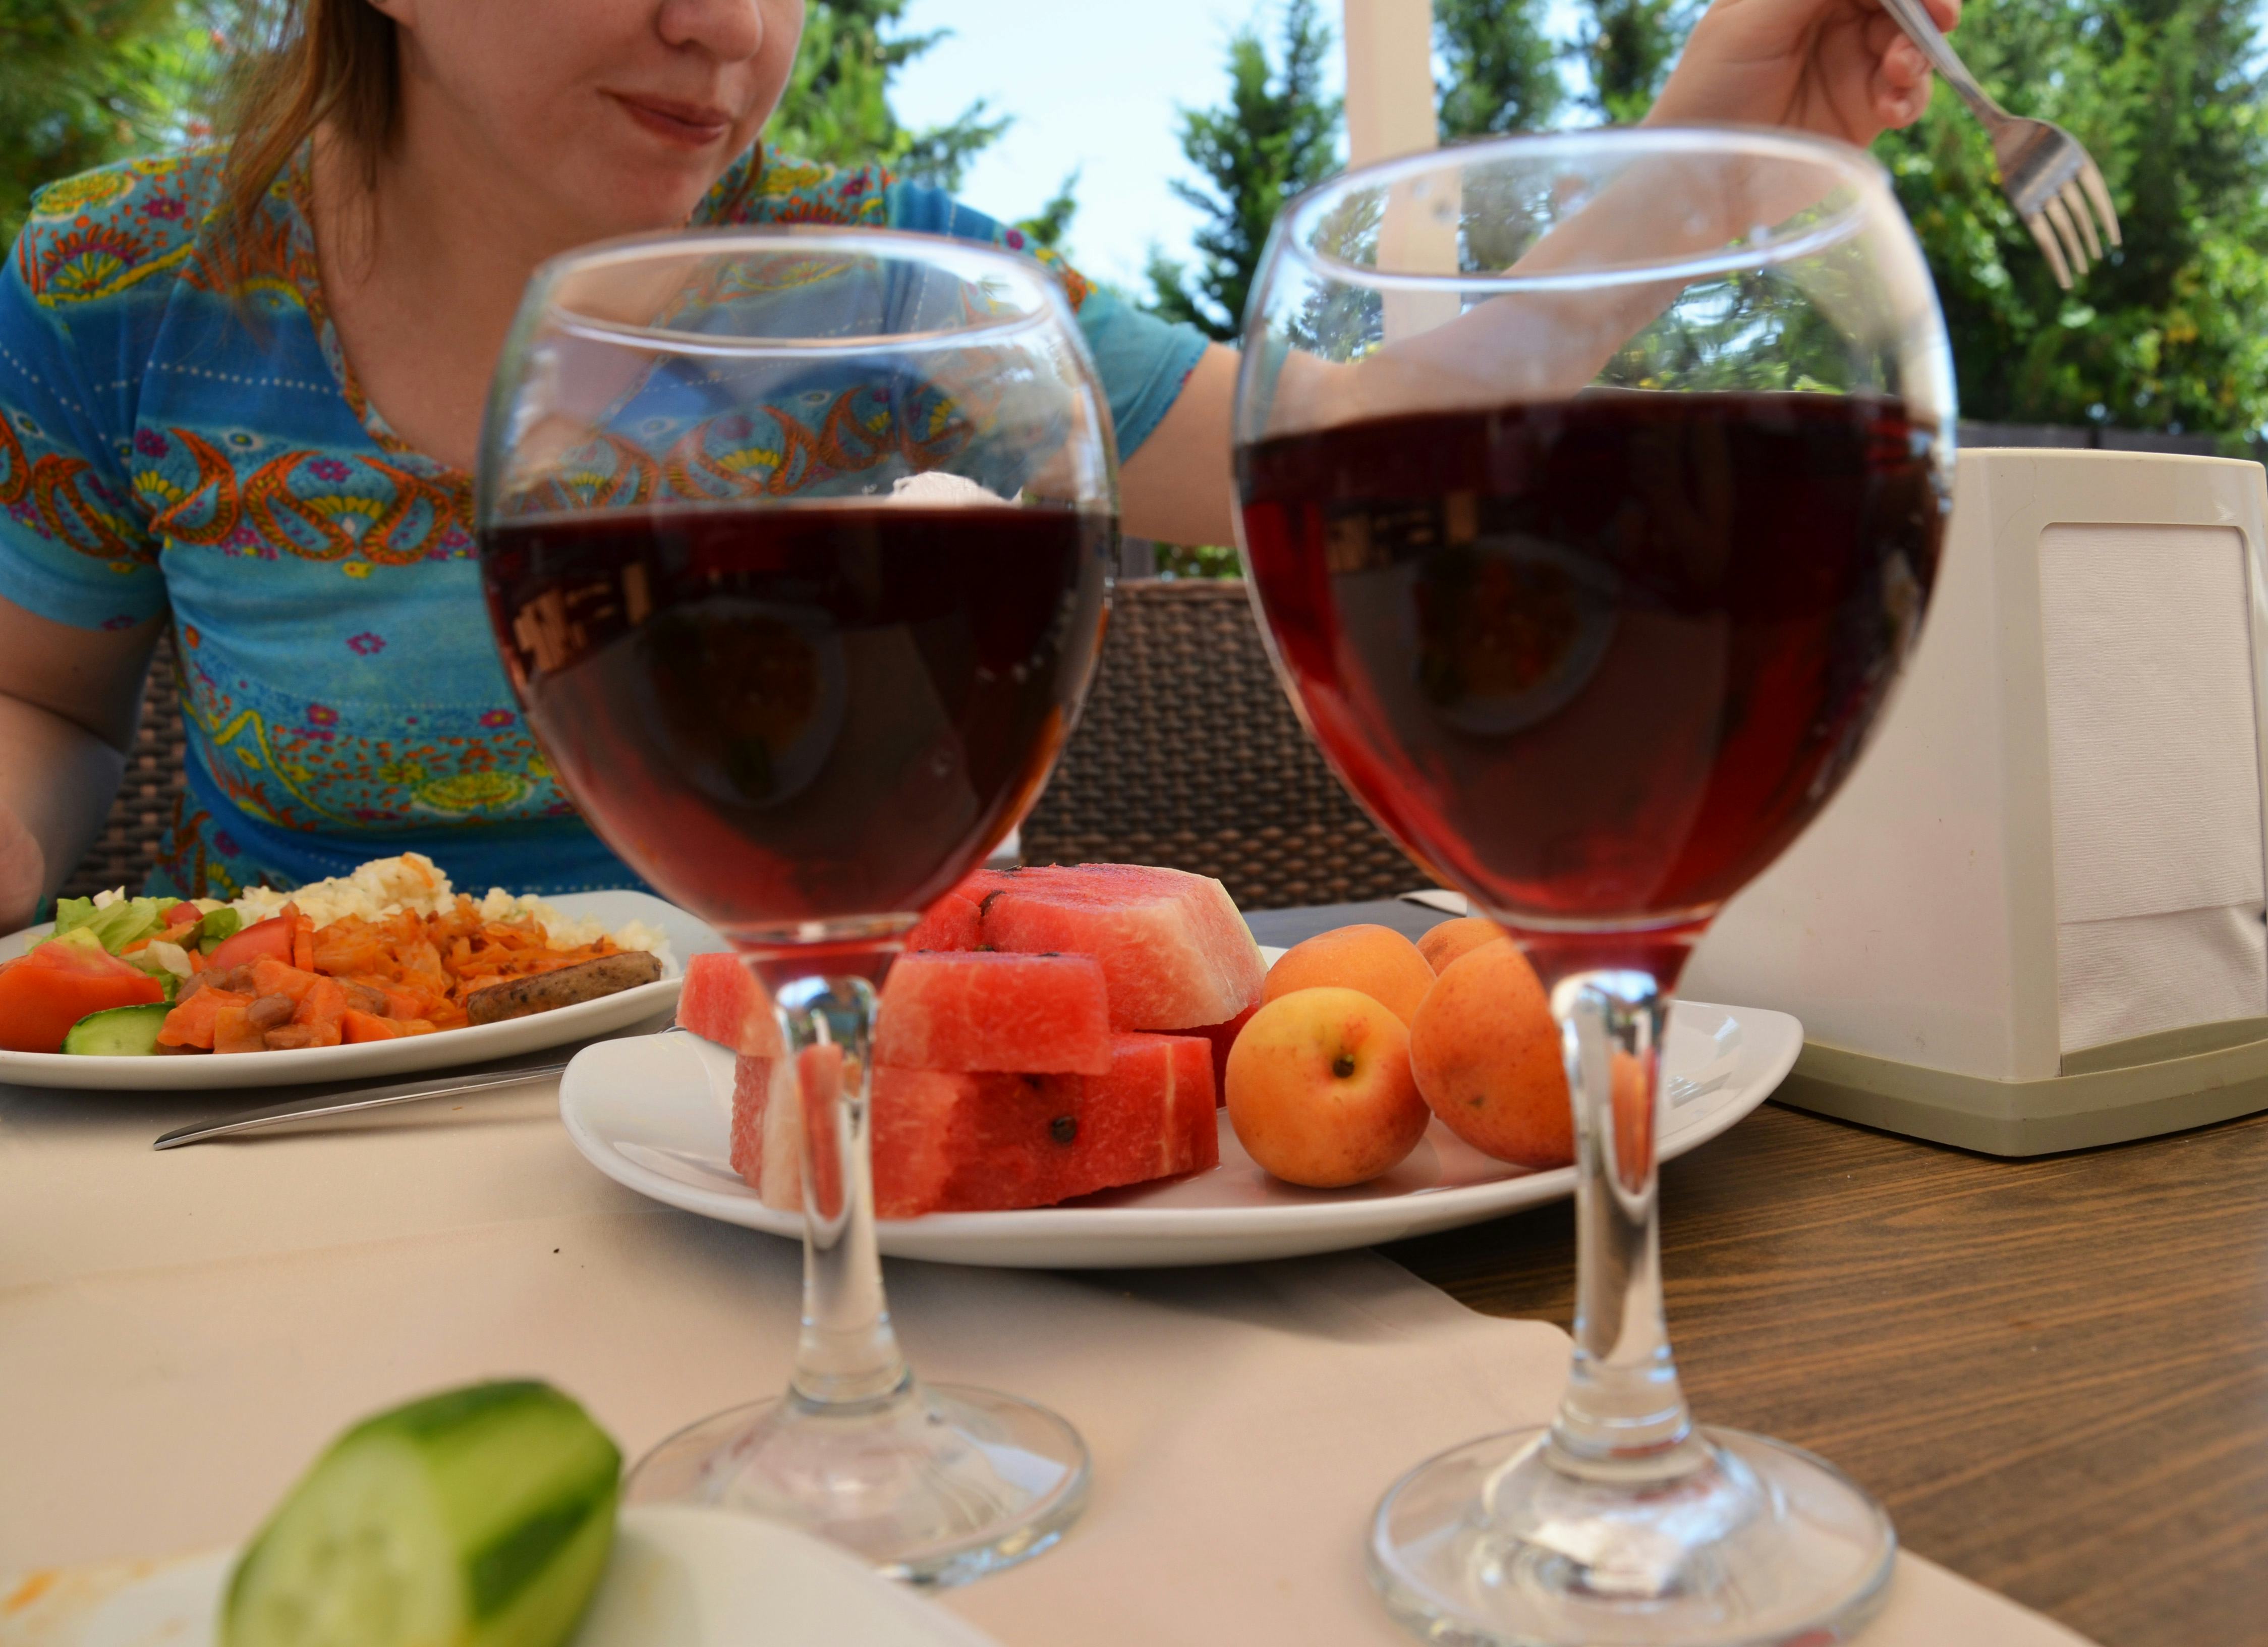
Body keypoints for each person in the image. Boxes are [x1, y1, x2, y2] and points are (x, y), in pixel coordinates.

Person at [0, 0, 1954, 929]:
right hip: (313, 1120)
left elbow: (1356, 441)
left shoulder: (916, 286)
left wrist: (1701, 146)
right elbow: (35, 701)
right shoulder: (112, 295)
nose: (732, 33)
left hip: (789, 1125)